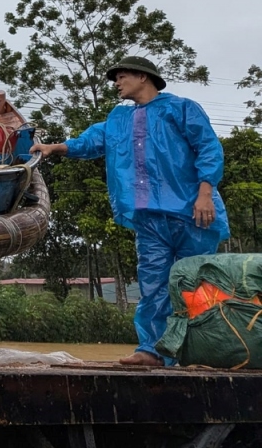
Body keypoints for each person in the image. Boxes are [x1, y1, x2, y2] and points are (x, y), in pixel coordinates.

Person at [31, 56, 229, 367]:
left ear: (142, 77)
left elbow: (208, 147)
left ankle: (204, 351)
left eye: (122, 77)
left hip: (193, 211)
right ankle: (152, 350)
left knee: (196, 283)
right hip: (148, 217)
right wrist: (53, 148)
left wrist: (205, 193)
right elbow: (89, 142)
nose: (117, 83)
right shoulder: (118, 120)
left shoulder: (181, 108)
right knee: (153, 283)